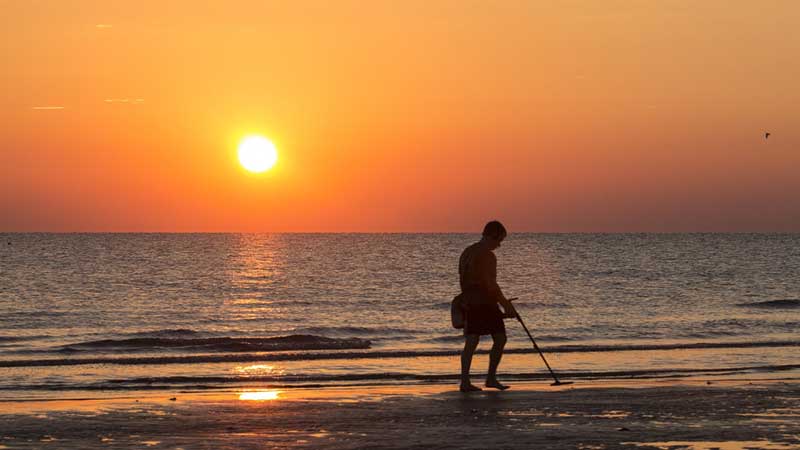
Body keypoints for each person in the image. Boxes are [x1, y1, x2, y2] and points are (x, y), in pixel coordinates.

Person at [458, 220, 517, 392]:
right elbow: (491, 283)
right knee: (500, 338)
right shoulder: (487, 256)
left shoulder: (467, 252)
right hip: (485, 302)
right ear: (492, 236)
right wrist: (505, 304)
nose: (499, 245)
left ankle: (465, 381)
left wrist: (466, 299)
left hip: (469, 301)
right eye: (499, 241)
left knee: (472, 341)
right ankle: (490, 378)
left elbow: (462, 278)